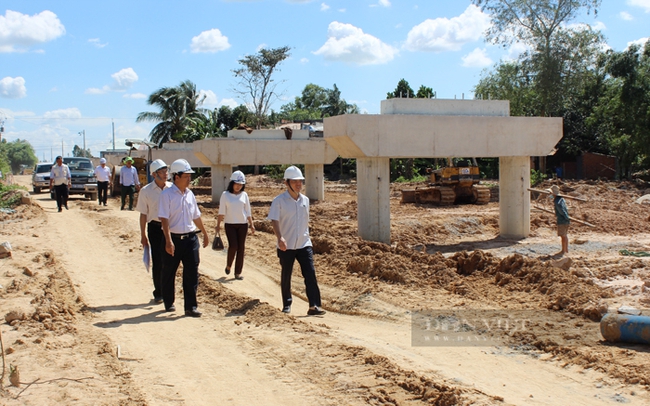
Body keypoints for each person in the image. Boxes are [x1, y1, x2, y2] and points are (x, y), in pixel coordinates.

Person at [268, 165, 325, 316]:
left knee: (310, 273)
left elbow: (305, 221)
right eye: (294, 182)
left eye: (300, 181)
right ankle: (287, 304)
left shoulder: (305, 200)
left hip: (303, 243)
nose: (298, 184)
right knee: (287, 274)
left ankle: (314, 305)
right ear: (286, 183)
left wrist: (307, 237)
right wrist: (280, 238)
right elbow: (274, 220)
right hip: (286, 245)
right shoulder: (279, 201)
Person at [158, 159, 209, 317]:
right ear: (177, 177)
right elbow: (164, 219)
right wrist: (168, 241)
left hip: (190, 239)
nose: (189, 179)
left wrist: (205, 233)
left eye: (189, 176)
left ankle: (190, 306)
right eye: (186, 176)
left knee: (192, 272)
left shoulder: (190, 195)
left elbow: (196, 216)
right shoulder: (166, 195)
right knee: (169, 271)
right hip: (173, 238)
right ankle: (169, 301)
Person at [136, 159, 171, 304]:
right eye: (162, 172)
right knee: (158, 260)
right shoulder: (146, 191)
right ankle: (159, 293)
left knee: (169, 260)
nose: (165, 174)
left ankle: (168, 291)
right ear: (154, 174)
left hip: (169, 228)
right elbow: (143, 214)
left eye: (166, 171)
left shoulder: (172, 188)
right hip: (155, 228)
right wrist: (143, 235)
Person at [216, 170, 255, 280]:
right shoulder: (225, 195)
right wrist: (218, 225)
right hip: (230, 225)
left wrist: (251, 224)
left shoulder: (244, 195)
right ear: (232, 183)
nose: (238, 186)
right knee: (233, 246)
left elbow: (248, 211)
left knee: (241, 249)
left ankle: (237, 272)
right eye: (236, 184)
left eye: (240, 184)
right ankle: (229, 265)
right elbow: (221, 211)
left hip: (243, 225)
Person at [549, 185, 570, 256]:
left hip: (562, 220)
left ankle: (563, 251)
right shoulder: (561, 199)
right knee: (565, 235)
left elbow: (561, 211)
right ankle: (565, 250)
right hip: (565, 220)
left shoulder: (557, 202)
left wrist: (565, 217)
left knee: (563, 236)